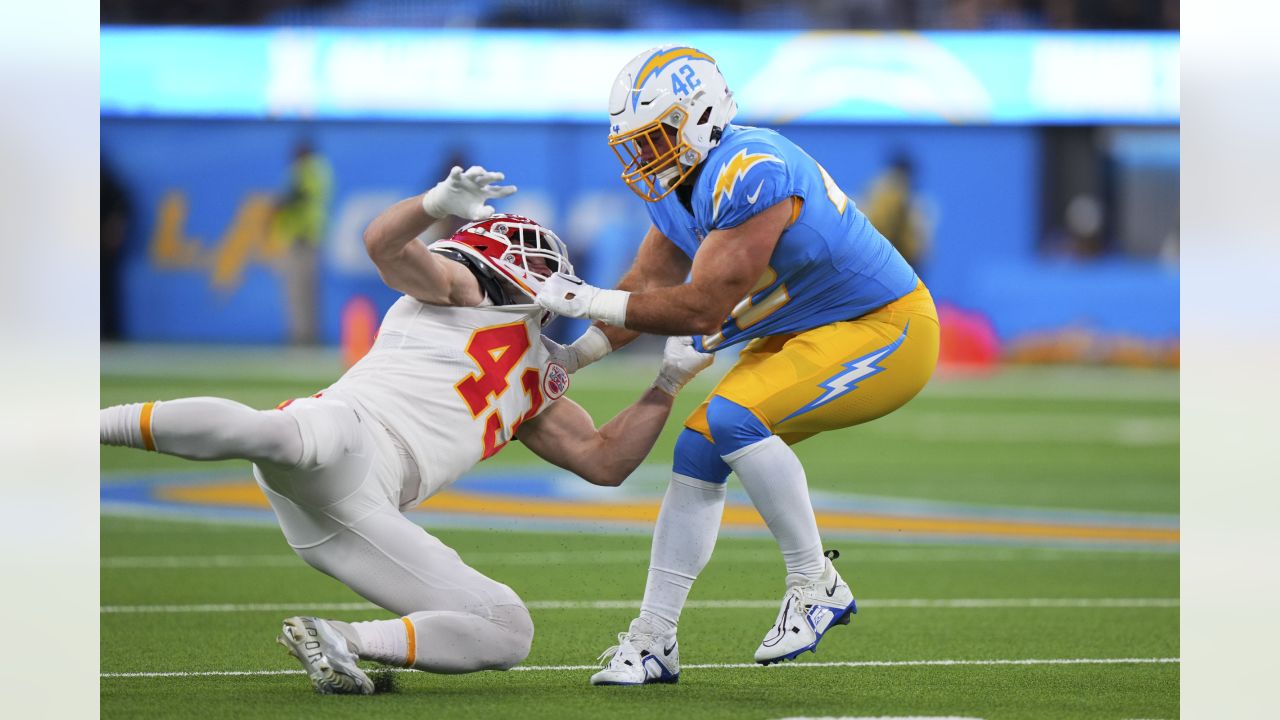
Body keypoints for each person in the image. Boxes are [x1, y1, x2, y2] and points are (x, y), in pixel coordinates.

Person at [100, 166, 713, 695]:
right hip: (352, 433)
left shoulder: (538, 383)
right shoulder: (463, 289)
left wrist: (665, 385)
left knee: (507, 628)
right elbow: (383, 245)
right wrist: (432, 204)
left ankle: (341, 639)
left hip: (362, 510)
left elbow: (605, 463)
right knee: (275, 435)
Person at [535, 46, 941, 685]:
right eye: (637, 142)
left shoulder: (751, 171)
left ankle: (816, 582)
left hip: (884, 327)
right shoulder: (681, 182)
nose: (645, 155)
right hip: (796, 329)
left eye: (656, 136)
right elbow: (645, 287)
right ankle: (654, 639)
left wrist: (583, 299)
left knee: (731, 418)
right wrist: (575, 353)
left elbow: (700, 308)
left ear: (699, 120)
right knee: (699, 444)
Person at [272, 139, 334, 345]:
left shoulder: (307, 170)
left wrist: (278, 204)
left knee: (298, 292)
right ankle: (308, 334)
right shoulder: (321, 170)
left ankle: (301, 336)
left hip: (301, 239)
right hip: (310, 238)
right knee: (308, 292)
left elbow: (296, 196)